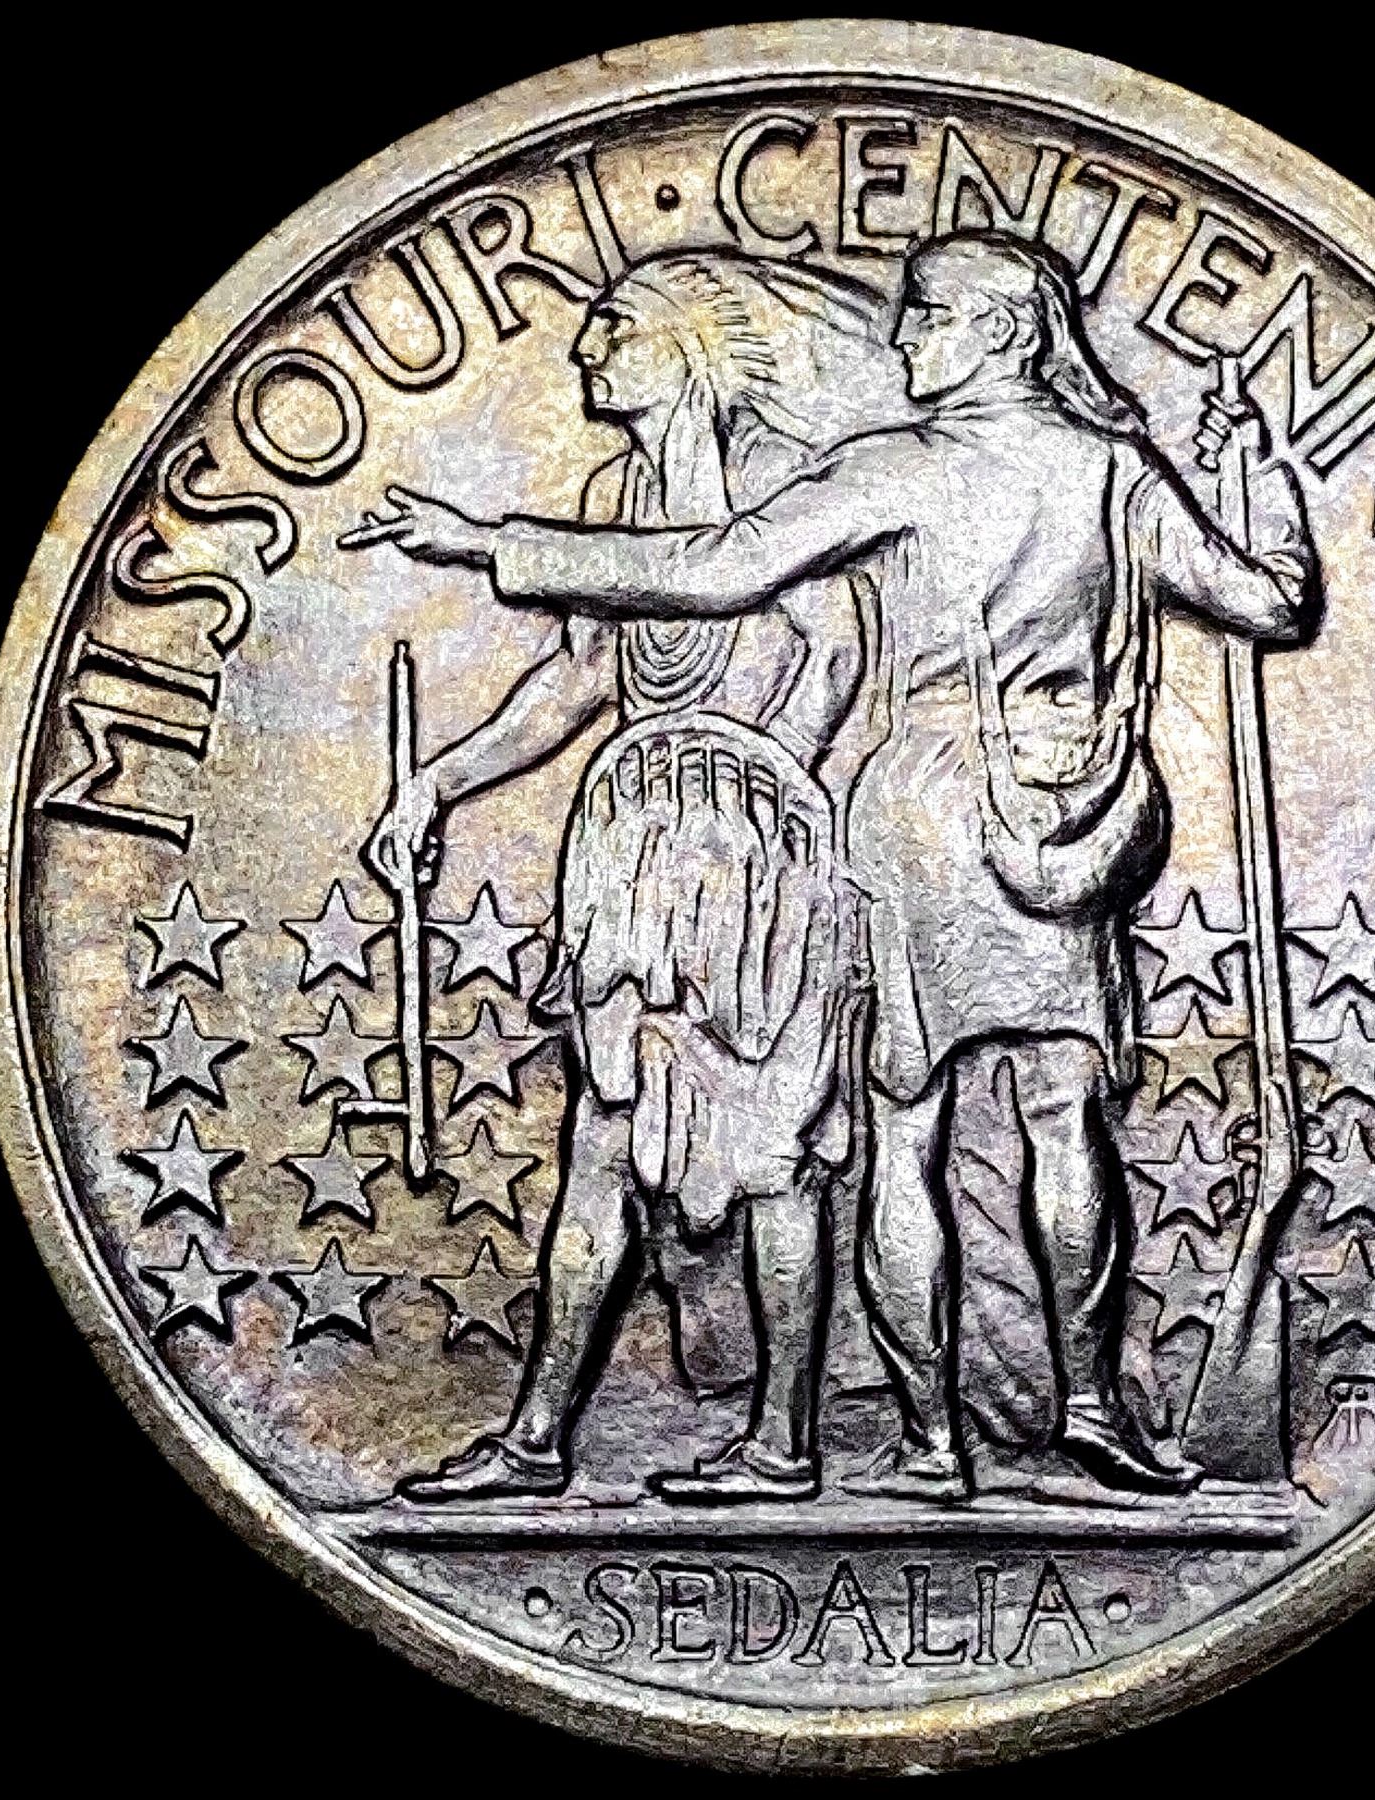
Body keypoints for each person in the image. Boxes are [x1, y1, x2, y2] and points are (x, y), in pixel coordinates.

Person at [356, 229, 1322, 1499]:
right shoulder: (1118, 474)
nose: (903, 334)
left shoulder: (901, 467)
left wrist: (493, 541)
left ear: (1001, 334)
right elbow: (1272, 603)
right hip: (1070, 807)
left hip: (913, 813)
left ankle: (932, 1447)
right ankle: (1089, 1406)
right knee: (1064, 1117)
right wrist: (1270, 498)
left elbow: (715, 571)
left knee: (903, 1131)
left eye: (927, 314)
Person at [369, 250, 913, 1503]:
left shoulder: (778, 476)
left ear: (689, 346)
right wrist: (437, 782)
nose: (586, 349)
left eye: (614, 327)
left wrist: (755, 794)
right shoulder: (613, 492)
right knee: (602, 1142)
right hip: (632, 858)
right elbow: (576, 681)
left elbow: (835, 652)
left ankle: (782, 1445)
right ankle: (535, 1441)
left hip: (762, 863)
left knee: (775, 1153)